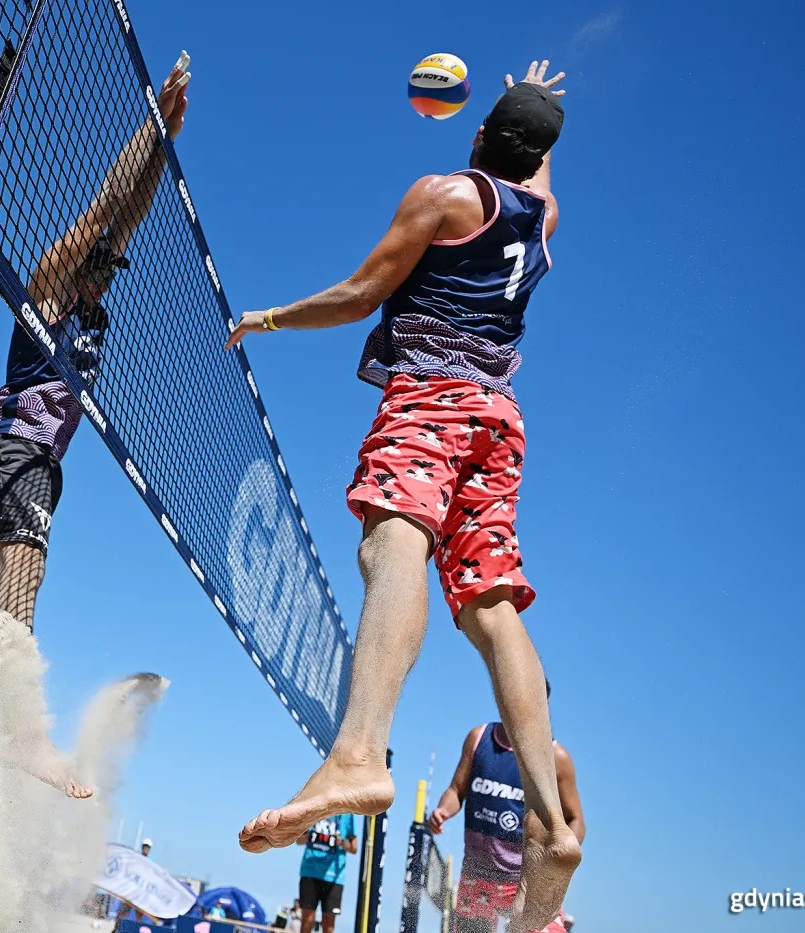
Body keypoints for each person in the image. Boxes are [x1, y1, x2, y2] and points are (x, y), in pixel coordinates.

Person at [226, 60, 580, 932]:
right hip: (500, 416)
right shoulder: (544, 220)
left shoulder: (445, 194)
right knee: (492, 602)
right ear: (536, 154)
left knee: (394, 542)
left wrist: (266, 318)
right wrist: (540, 111)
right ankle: (553, 818)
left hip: (433, 395)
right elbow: (536, 169)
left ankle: (357, 754)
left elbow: (359, 295)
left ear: (477, 137)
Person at [0, 53, 193, 801]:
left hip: (17, 454)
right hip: (19, 449)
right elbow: (106, 208)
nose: (109, 270)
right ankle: (22, 729)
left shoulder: (94, 298)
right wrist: (148, 127)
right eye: (100, 262)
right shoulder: (47, 287)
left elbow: (130, 215)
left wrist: (166, 144)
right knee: (26, 560)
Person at [427, 683, 585, 933]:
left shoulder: (556, 757)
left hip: (528, 880)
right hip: (478, 875)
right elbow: (457, 790)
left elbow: (575, 818)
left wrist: (557, 855)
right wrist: (442, 811)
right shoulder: (478, 738)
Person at [296, 816, 356, 933]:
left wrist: (342, 842)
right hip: (310, 871)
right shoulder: (314, 805)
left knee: (328, 925)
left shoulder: (347, 814)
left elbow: (354, 848)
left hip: (334, 876)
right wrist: (310, 837)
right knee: (308, 920)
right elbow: (298, 840)